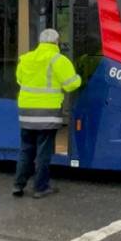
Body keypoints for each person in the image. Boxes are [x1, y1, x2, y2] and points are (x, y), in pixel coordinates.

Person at [13, 28, 82, 198]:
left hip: (26, 111)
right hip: (47, 113)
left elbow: (19, 79)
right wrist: (80, 77)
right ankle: (40, 187)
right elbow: (71, 85)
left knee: (26, 149)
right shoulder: (59, 60)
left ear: (40, 41)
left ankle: (18, 185)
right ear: (57, 42)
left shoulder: (26, 58)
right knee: (43, 151)